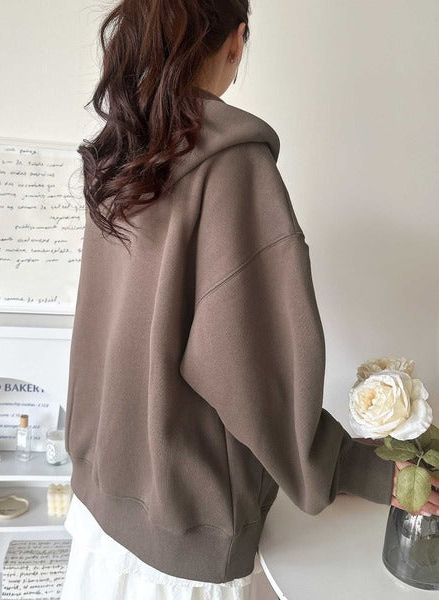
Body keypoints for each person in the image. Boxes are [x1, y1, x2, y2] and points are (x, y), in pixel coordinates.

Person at [60, 1, 439, 599]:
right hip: (182, 542)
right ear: (236, 40)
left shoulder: (122, 150)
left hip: (97, 516)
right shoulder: (232, 169)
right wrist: (364, 470)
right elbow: (251, 376)